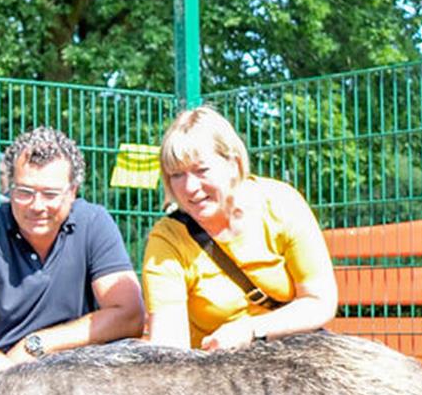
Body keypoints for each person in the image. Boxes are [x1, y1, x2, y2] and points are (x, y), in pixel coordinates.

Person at [0, 127, 144, 395]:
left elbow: (130, 314)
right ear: (9, 186)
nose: (36, 206)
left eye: (50, 194)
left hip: (77, 363)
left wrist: (37, 344)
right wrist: (8, 377)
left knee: (137, 366)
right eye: (24, 191)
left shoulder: (94, 222)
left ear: (72, 191)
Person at [142, 106, 337, 350]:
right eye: (176, 175)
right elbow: (169, 345)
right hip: (213, 370)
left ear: (233, 164)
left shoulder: (281, 204)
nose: (189, 187)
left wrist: (251, 329)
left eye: (201, 170)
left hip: (291, 357)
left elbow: (319, 301)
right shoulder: (167, 239)